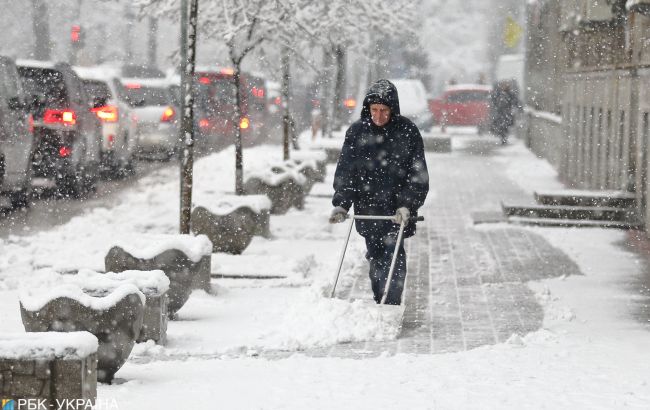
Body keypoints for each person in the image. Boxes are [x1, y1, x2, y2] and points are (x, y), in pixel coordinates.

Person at [329, 79, 429, 305]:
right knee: (375, 256)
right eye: (374, 110)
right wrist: (342, 203)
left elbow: (418, 174)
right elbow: (347, 171)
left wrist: (407, 204)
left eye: (384, 110)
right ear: (368, 108)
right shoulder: (357, 132)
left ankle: (391, 302)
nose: (379, 115)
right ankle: (380, 298)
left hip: (397, 211)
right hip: (369, 209)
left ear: (393, 109)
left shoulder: (407, 131)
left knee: (394, 255)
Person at [489, 80, 522, 144]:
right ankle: (502, 137)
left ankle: (504, 138)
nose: (504, 86)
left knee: (505, 126)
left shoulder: (510, 94)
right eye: (503, 85)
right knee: (501, 126)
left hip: (507, 113)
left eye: (505, 85)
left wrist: (519, 108)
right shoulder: (498, 93)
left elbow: (516, 102)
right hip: (500, 113)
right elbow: (493, 101)